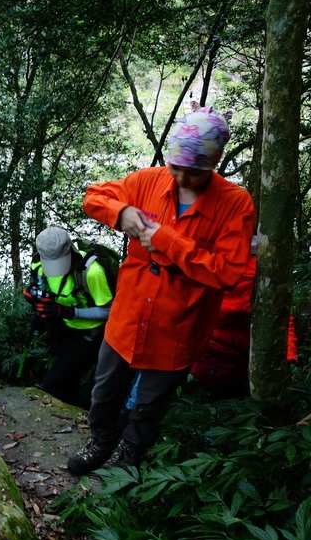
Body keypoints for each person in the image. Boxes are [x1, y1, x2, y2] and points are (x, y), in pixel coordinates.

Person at [67, 104, 256, 475]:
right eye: (177, 166)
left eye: (195, 171)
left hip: (179, 326)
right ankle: (100, 440)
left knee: (150, 402)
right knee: (104, 391)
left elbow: (228, 271)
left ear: (212, 165)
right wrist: (120, 214)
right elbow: (93, 196)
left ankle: (130, 453)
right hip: (129, 314)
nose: (183, 177)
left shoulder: (235, 204)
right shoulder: (148, 182)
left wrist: (167, 240)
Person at [190, 235, 299, 398]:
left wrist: (289, 357)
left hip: (231, 357)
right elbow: (280, 318)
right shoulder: (262, 270)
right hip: (222, 355)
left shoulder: (208, 263)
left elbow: (280, 318)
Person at [23, 227, 113, 407]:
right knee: (68, 379)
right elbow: (42, 287)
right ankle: (71, 414)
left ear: (71, 251)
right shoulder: (39, 264)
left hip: (92, 333)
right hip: (64, 328)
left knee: (53, 382)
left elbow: (109, 311)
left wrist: (68, 312)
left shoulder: (92, 272)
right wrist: (35, 296)